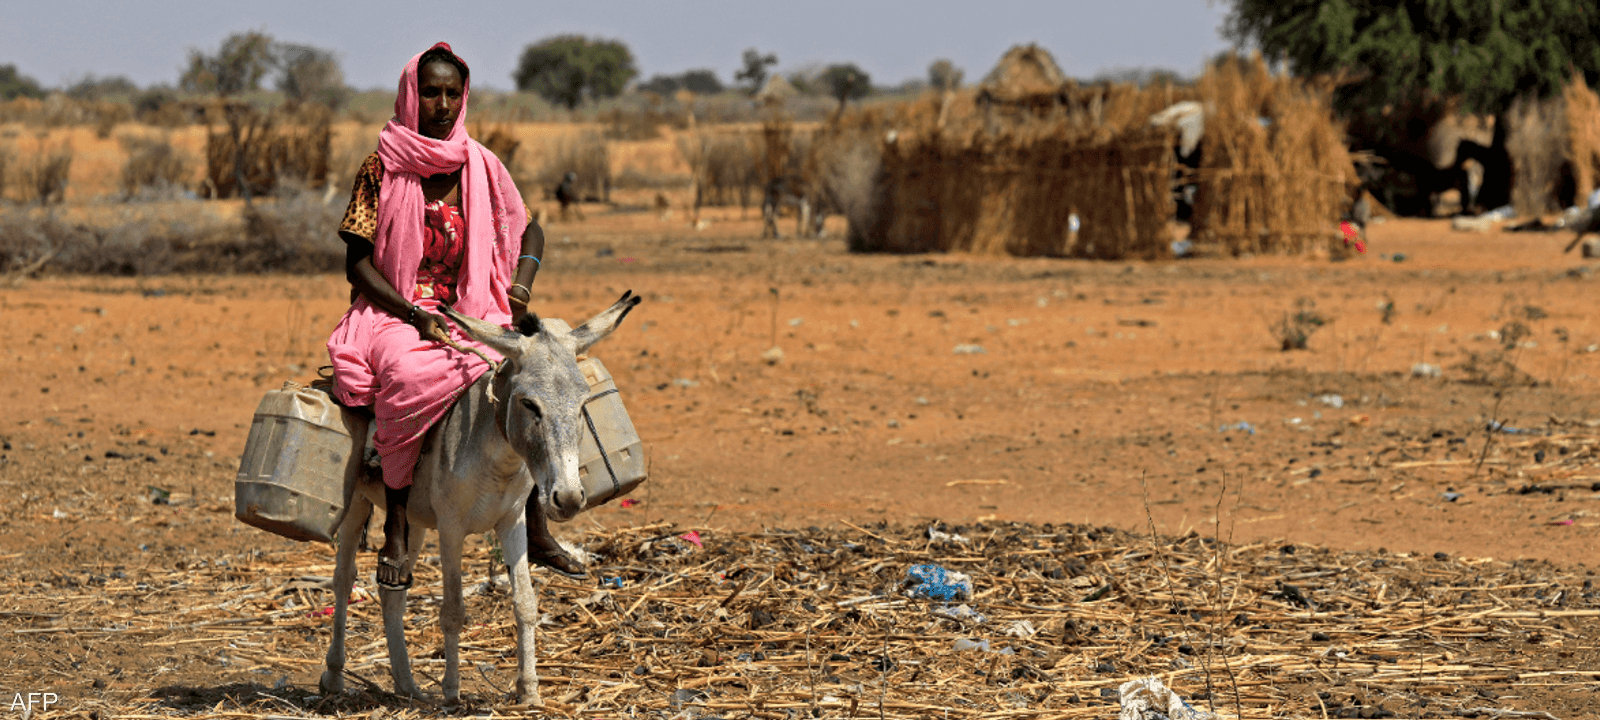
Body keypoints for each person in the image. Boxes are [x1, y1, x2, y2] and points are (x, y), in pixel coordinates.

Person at [326, 42, 586, 591]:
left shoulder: (482, 164)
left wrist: (520, 285)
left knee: (531, 373)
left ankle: (534, 522)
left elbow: (530, 228)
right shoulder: (381, 167)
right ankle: (396, 520)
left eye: (451, 93)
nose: (442, 104)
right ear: (410, 96)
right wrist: (414, 316)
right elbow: (357, 266)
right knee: (405, 373)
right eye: (431, 92)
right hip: (394, 309)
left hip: (476, 308)